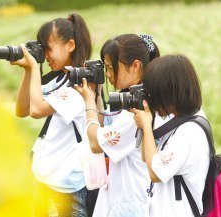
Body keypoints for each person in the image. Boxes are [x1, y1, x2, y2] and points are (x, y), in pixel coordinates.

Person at [11, 13, 92, 216]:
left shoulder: (81, 84)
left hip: (68, 189)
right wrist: (29, 71)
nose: (45, 55)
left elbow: (37, 111)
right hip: (44, 178)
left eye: (49, 48)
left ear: (70, 45)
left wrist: (34, 69)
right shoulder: (59, 79)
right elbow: (22, 110)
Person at [74, 33, 160, 216]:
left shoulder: (138, 109)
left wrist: (88, 102)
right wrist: (95, 92)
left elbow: (96, 143)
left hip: (132, 200)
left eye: (111, 68)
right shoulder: (134, 98)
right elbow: (102, 125)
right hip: (126, 197)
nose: (108, 75)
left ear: (135, 65)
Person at [131, 54, 210, 216]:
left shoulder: (189, 132)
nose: (151, 100)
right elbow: (148, 158)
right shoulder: (182, 120)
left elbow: (155, 172)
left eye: (153, 93)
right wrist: (148, 124)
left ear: (168, 92)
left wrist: (146, 126)